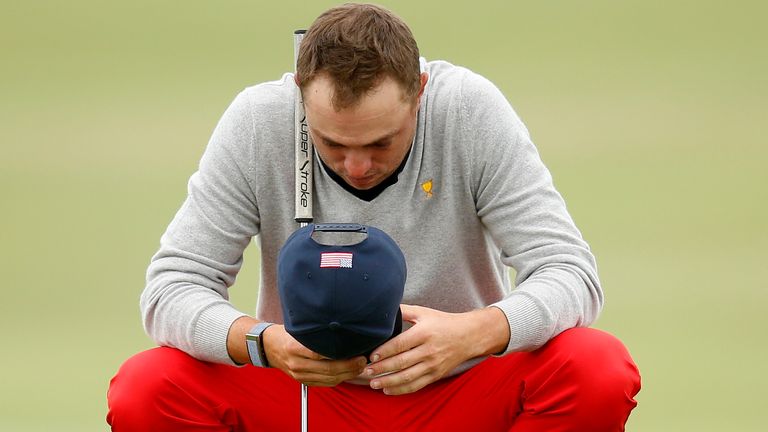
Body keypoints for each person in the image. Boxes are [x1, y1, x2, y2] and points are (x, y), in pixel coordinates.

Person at [107, 3, 641, 431]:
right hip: (307, 401)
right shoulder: (258, 120)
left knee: (594, 367)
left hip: (461, 390)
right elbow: (172, 289)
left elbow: (570, 272)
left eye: (381, 141)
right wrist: (263, 342)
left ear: (420, 93)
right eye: (332, 143)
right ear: (300, 97)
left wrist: (475, 332)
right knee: (148, 388)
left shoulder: (468, 109)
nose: (357, 165)